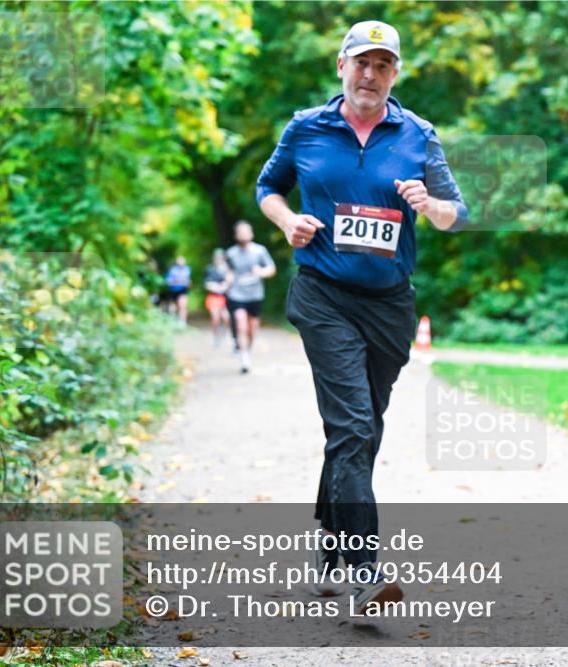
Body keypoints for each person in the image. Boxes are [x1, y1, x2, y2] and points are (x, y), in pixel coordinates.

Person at [255, 20, 468, 610]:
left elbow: (458, 213)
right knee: (353, 427)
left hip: (390, 306)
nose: (370, 75)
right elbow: (268, 188)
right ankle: (364, 571)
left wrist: (431, 204)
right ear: (341, 66)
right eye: (361, 63)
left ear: (394, 74)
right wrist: (286, 222)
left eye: (382, 65)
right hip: (323, 296)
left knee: (360, 430)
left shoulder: (417, 134)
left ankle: (327, 553)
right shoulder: (306, 127)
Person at [225, 221, 276, 373]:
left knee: (252, 330)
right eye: (241, 231)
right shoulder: (231, 253)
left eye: (247, 231)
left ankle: (247, 350)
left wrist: (261, 272)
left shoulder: (260, 251)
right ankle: (244, 357)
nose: (244, 234)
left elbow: (271, 269)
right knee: (241, 324)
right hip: (237, 294)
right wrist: (227, 281)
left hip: (255, 294)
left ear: (251, 233)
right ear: (236, 235)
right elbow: (228, 272)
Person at [204, 249, 233, 347]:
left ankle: (224, 335)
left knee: (226, 318)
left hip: (225, 297)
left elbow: (229, 282)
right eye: (217, 257)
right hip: (214, 297)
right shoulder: (210, 269)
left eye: (220, 257)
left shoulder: (228, 269)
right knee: (215, 317)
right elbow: (207, 283)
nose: (218, 259)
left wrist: (224, 286)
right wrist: (216, 287)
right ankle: (215, 337)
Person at [164, 256, 192, 326]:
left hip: (183, 290)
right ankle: (173, 320)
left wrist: (185, 282)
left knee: (183, 305)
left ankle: (182, 321)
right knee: (174, 306)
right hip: (173, 290)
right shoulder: (172, 270)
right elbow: (168, 281)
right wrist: (179, 281)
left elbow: (188, 281)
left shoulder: (187, 269)